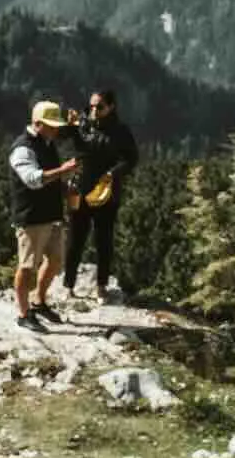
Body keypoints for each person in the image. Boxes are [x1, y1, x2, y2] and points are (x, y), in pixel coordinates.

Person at [64, 88, 140, 303]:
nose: (94, 110)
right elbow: (61, 136)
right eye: (92, 106)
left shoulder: (121, 131)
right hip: (78, 187)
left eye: (100, 106)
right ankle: (68, 285)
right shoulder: (82, 124)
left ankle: (101, 286)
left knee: (103, 240)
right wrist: (69, 125)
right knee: (74, 239)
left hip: (106, 191)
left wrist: (113, 173)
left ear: (111, 107)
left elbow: (132, 159)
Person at [8, 100, 78, 333]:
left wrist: (65, 188)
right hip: (31, 218)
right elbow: (32, 179)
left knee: (56, 260)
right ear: (37, 124)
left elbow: (50, 178)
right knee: (27, 267)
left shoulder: (47, 143)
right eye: (51, 125)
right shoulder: (22, 148)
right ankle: (23, 313)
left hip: (51, 214)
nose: (56, 130)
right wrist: (63, 172)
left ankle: (39, 301)